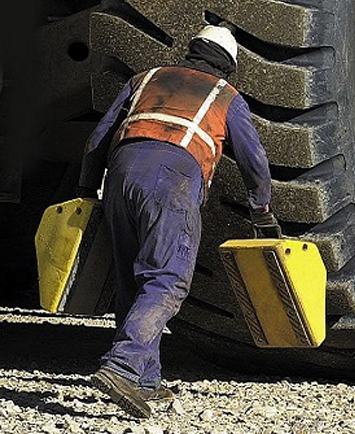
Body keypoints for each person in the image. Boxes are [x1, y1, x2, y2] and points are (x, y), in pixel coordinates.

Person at [76, 24, 279, 418]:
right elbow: (254, 160)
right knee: (167, 278)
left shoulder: (146, 78)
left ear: (193, 50)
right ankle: (123, 364)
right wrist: (261, 210)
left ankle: (145, 379)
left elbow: (98, 137)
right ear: (228, 67)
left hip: (120, 174)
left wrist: (87, 190)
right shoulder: (225, 95)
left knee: (131, 279)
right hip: (172, 176)